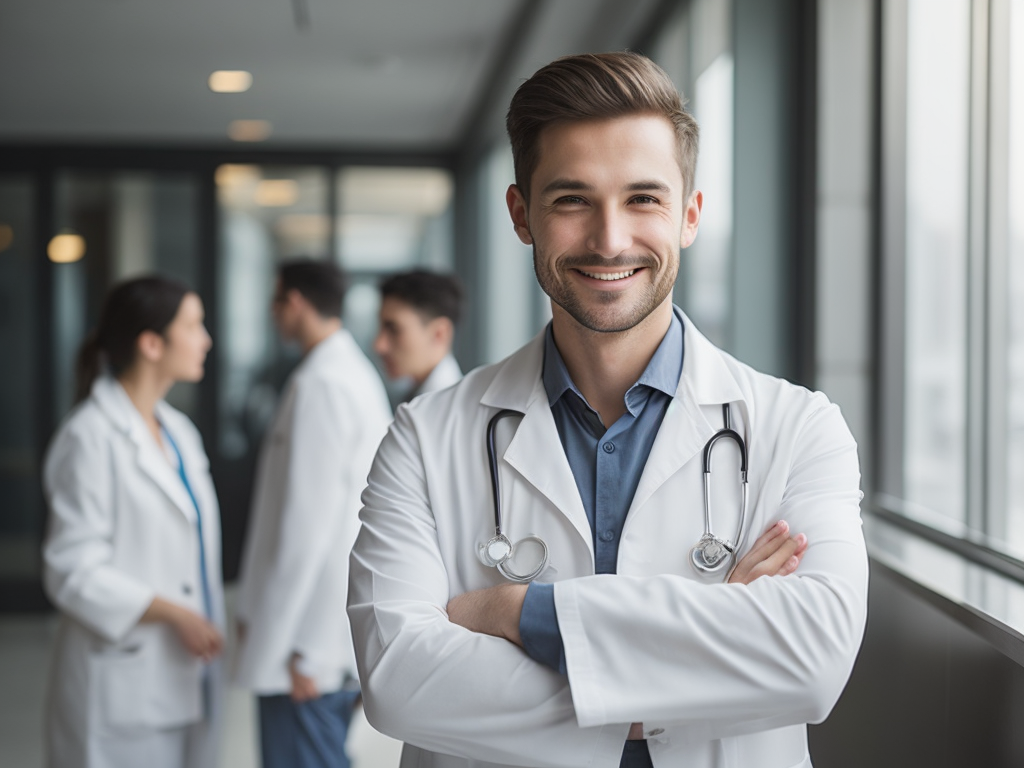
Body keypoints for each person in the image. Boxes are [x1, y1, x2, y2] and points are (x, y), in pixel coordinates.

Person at [348, 52, 868, 768]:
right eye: (572, 200)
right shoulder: (424, 437)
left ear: (689, 215)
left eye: (643, 199)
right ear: (521, 215)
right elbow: (398, 682)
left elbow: (811, 664)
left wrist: (513, 612)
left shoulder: (800, 428)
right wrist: (707, 641)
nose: (610, 239)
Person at [42, 276, 224, 768]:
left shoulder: (179, 431)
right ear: (151, 344)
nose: (206, 340)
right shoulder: (89, 436)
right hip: (121, 676)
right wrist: (175, 614)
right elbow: (72, 569)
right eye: (193, 326)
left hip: (184, 671)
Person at [233, 259, 392, 768]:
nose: (272, 313)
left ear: (295, 302)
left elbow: (311, 527)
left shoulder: (324, 383)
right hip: (317, 637)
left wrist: (306, 647)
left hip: (306, 647)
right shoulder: (340, 373)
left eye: (276, 301)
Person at [374, 269, 464, 400]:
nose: (379, 345)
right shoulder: (415, 395)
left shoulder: (446, 406)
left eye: (394, 329)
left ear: (439, 333)